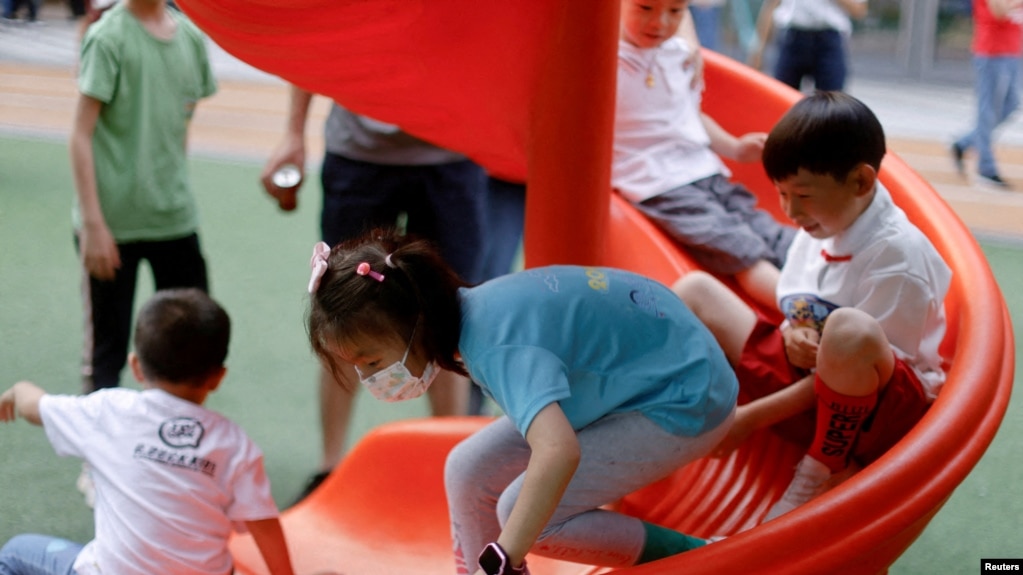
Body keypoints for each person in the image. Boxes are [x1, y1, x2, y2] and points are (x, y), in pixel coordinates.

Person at [304, 229, 738, 574]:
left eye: (372, 360)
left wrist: (504, 559)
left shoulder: (495, 348)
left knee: (525, 514)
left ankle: (708, 557)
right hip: (636, 379)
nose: (371, 377)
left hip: (686, 396)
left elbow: (558, 451)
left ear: (416, 322)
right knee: (466, 467)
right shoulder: (471, 315)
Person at [673, 91, 952, 522]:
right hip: (811, 382)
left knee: (849, 331)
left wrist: (751, 418)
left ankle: (821, 471)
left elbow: (861, 361)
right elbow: (802, 304)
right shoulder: (823, 225)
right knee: (695, 290)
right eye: (781, 193)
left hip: (873, 417)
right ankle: (662, 414)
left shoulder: (898, 257)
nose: (789, 210)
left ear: (860, 182)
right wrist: (791, 331)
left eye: (801, 195)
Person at [260, 91, 489, 501]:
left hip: (451, 151)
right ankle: (328, 468)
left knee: (448, 316)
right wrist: (293, 131)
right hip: (360, 152)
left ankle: (451, 467)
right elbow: (315, 39)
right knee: (342, 308)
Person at [0, 289, 296, 575]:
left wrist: (18, 390)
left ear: (136, 366)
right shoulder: (235, 445)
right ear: (217, 377)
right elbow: (264, 523)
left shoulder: (109, 411)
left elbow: (34, 407)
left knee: (14, 552)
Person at [69, 0, 216, 394]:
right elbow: (80, 135)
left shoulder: (190, 38)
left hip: (174, 218)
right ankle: (99, 450)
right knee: (107, 351)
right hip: (113, 224)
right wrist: (93, 223)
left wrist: (171, 184)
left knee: (194, 341)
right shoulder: (108, 37)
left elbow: (179, 123)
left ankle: (177, 443)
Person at [614, 0, 796, 309]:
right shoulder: (604, 61)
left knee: (767, 230)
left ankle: (835, 277)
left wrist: (735, 148)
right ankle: (805, 310)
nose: (660, 23)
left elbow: (691, 116)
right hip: (658, 186)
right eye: (645, 8)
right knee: (739, 246)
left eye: (675, 12)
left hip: (705, 173)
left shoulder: (678, 55)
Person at [951, 0, 1023, 189]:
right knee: (988, 110)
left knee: (1011, 105)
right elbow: (999, 11)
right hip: (991, 51)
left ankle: (965, 142)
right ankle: (986, 168)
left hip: (1012, 50)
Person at [748, 0, 867, 92]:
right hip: (793, 39)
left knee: (832, 105)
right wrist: (758, 51)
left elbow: (859, 10)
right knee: (782, 100)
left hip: (828, 40)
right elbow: (771, 6)